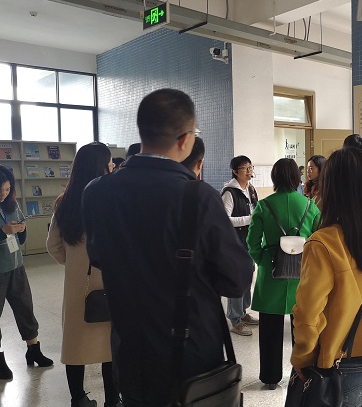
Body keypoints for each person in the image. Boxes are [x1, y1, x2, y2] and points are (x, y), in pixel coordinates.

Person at [82, 89, 253, 406]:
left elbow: (98, 257)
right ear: (186, 139)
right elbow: (236, 280)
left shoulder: (97, 192)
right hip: (191, 353)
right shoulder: (198, 196)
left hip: (130, 348)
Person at [291, 147, 362, 407]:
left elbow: (308, 313)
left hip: (340, 368)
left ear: (331, 187)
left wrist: (303, 356)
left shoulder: (323, 243)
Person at [47, 143, 121, 407]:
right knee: (110, 345)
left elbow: (53, 245)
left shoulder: (64, 201)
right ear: (102, 166)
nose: (112, 167)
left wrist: (74, 264)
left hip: (79, 284)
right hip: (111, 281)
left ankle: (78, 399)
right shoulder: (113, 199)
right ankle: (113, 400)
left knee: (75, 343)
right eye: (110, 163)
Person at [247, 158, 320, 390]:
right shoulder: (309, 206)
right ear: (297, 178)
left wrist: (263, 261)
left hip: (272, 273)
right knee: (303, 328)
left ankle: (270, 377)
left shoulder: (264, 205)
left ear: (274, 177)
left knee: (269, 330)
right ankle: (302, 375)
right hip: (302, 273)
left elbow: (252, 242)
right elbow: (318, 240)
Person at [0, 165, 53, 381]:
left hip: (15, 266)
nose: (3, 194)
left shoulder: (11, 205)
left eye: (7, 189)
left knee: (25, 307)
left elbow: (21, 234)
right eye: (0, 190)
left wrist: (21, 229)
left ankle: (33, 349)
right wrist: (3, 231)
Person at [221, 155, 259, 336]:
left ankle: (243, 312)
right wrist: (249, 219)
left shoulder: (250, 189)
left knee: (247, 276)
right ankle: (235, 319)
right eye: (245, 168)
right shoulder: (230, 192)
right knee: (237, 279)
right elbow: (224, 220)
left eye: (251, 167)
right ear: (235, 172)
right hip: (235, 243)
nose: (249, 171)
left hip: (248, 241)